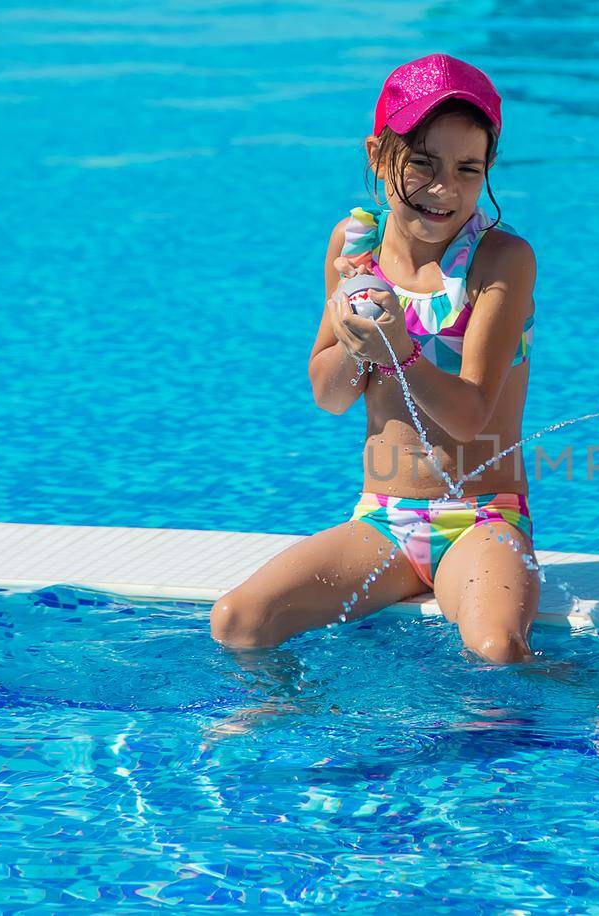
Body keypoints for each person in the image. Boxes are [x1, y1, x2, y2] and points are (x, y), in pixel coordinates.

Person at [209, 54, 539, 665]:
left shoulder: (501, 260)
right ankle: (292, 727)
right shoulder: (355, 245)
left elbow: (469, 416)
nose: (444, 190)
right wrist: (353, 331)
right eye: (422, 163)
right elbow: (329, 395)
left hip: (483, 520)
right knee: (239, 621)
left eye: (468, 169)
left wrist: (399, 351)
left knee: (497, 650)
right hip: (384, 520)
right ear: (377, 155)